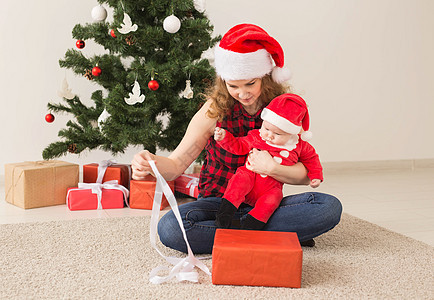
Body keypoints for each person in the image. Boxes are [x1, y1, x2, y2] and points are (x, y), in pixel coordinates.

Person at [131, 23, 342, 254]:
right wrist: (149, 162)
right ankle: (270, 232)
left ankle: (238, 232)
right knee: (171, 228)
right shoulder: (213, 111)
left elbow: (306, 175)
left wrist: (271, 167)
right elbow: (175, 167)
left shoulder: (284, 110)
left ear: (265, 77)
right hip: (218, 205)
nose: (243, 93)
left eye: (250, 83)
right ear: (224, 81)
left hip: (264, 204)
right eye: (233, 86)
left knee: (328, 207)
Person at [214, 93, 323, 230]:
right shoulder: (257, 136)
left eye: (277, 134)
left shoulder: (300, 145)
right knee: (240, 180)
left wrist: (316, 176)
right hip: (250, 177)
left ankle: (251, 225)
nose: (269, 135)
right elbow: (239, 146)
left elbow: (312, 159)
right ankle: (225, 215)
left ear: (291, 133)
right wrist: (224, 138)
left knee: (274, 199)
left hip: (271, 187)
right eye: (266, 129)